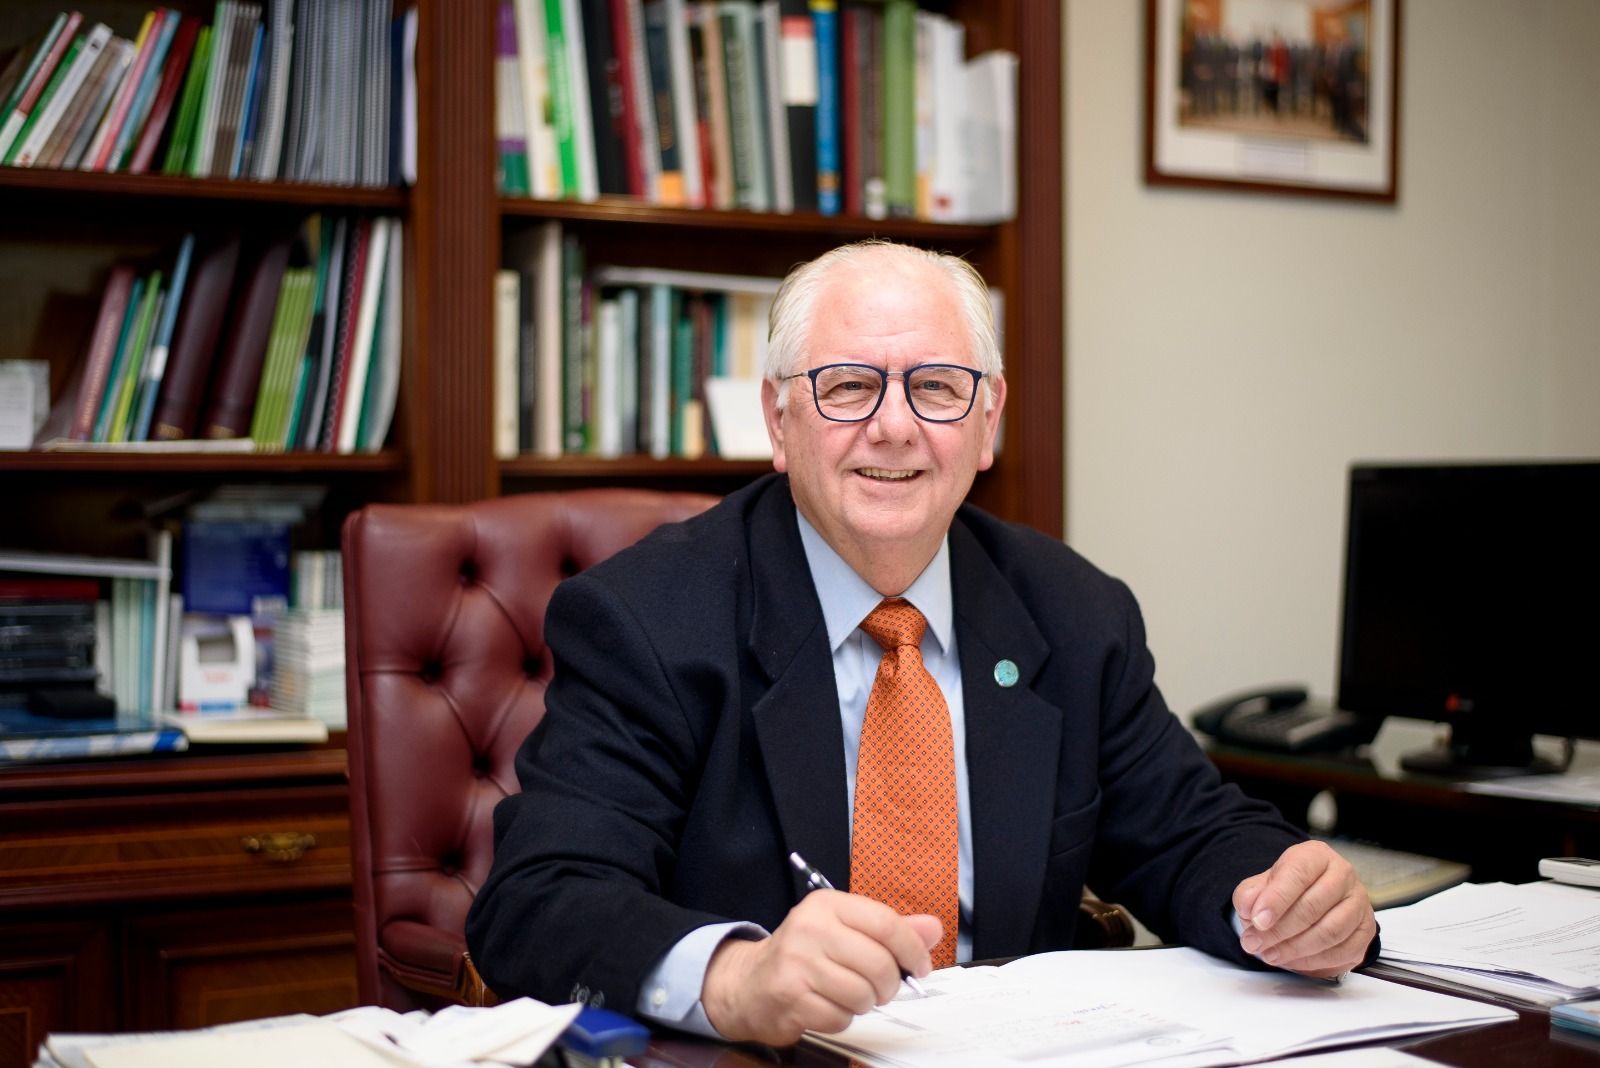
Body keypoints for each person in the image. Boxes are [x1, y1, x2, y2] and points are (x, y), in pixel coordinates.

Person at [465, 240, 1378, 1046]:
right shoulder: (648, 618)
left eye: (937, 387)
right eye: (851, 385)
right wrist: (736, 979)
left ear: (988, 423)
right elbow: (541, 901)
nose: (895, 426)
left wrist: (1287, 903)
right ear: (780, 421)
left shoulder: (1073, 611)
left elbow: (1192, 834)